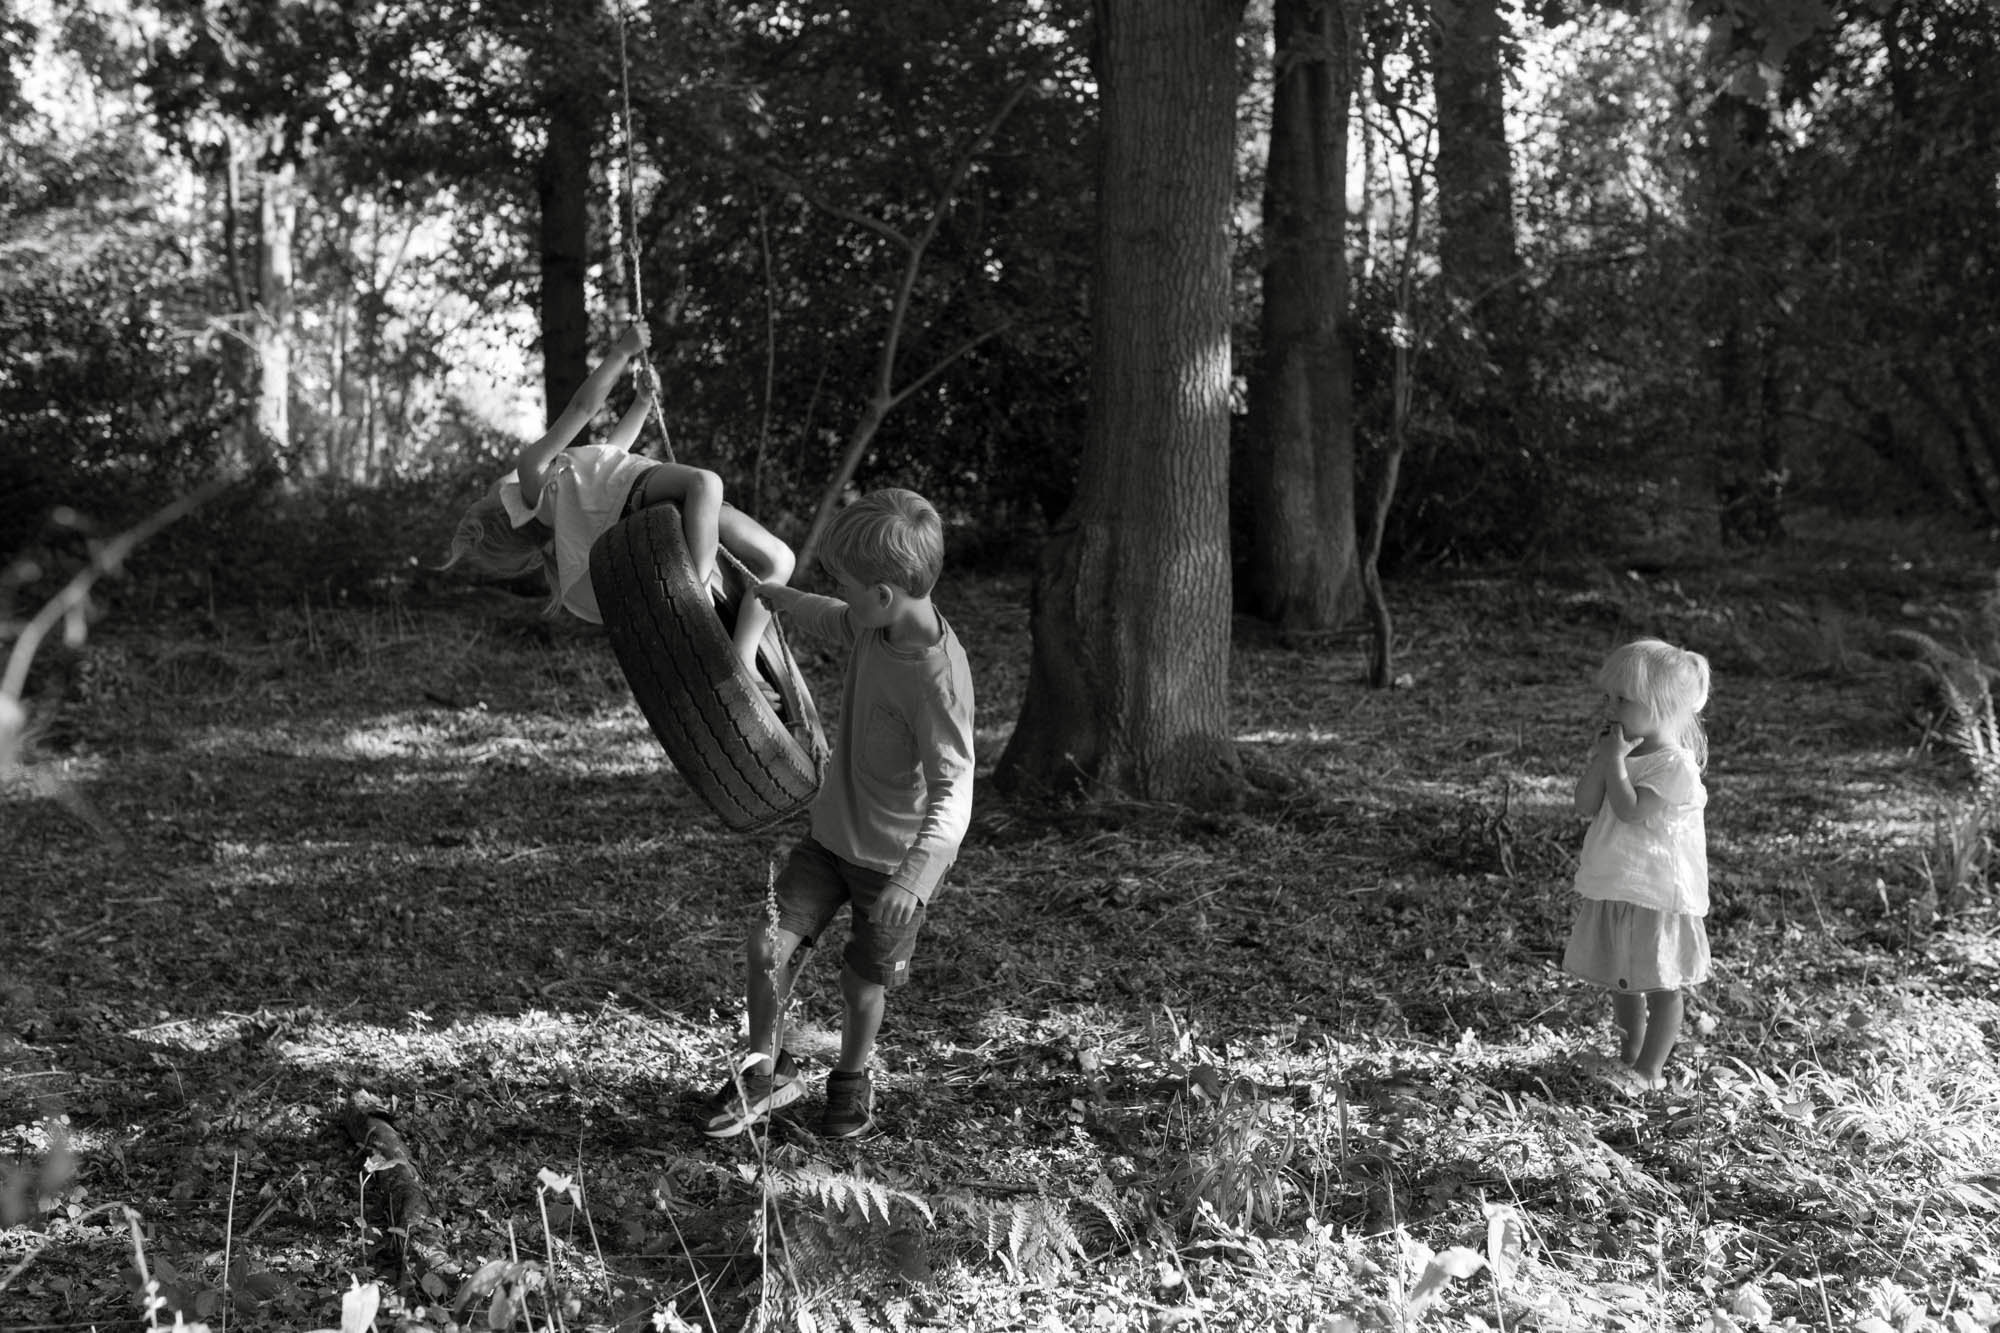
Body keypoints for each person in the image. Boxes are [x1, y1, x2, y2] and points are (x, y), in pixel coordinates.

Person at [700, 488, 976, 1140]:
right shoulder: (879, 619)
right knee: (768, 945)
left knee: (861, 985)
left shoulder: (938, 681)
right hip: (830, 839)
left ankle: (851, 1078)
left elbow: (954, 790)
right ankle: (766, 1066)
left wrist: (918, 875)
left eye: (849, 585)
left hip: (894, 869)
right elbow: (837, 618)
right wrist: (785, 601)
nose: (843, 593)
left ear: (884, 594)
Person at [445, 323, 794, 676]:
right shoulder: (531, 475)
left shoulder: (560, 496)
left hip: (650, 493)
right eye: (486, 495)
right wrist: (621, 353)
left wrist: (642, 403)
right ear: (505, 511)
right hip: (639, 495)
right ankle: (695, 593)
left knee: (779, 559)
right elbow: (582, 408)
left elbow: (613, 452)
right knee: (705, 482)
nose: (492, 486)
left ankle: (743, 658)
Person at [1563, 637, 1713, 1095]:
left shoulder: (1676, 766)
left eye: (1622, 699)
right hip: (1618, 884)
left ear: (1661, 706)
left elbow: (1630, 810)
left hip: (1657, 891)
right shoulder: (1625, 754)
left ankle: (1651, 1068)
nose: (1609, 707)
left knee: (1662, 982)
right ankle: (1628, 1057)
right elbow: (1586, 803)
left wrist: (1615, 762)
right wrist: (1605, 760)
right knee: (1623, 981)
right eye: (1608, 697)